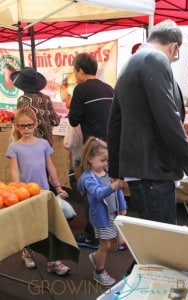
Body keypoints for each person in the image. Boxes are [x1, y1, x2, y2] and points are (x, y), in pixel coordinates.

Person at [107, 19, 188, 225]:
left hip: (142, 171)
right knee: (161, 246)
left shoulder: (132, 62)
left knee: (153, 243)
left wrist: (116, 171)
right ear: (174, 47)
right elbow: (168, 118)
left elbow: (114, 122)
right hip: (154, 170)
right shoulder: (154, 59)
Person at [5, 107, 70, 276]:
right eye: (22, 126)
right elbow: (14, 171)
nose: (26, 129)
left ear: (36, 124)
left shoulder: (43, 144)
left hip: (44, 192)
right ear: (16, 126)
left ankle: (53, 261)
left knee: (49, 227)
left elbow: (50, 167)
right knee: (28, 227)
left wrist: (58, 187)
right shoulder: (14, 147)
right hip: (25, 195)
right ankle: (27, 253)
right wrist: (17, 188)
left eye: (29, 125)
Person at [68, 53, 114, 248]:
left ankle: (92, 236)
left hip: (93, 148)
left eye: (75, 71)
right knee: (108, 189)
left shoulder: (81, 89)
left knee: (91, 190)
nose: (75, 75)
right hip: (110, 147)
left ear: (80, 70)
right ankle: (110, 233)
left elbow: (73, 120)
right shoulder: (109, 88)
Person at [77, 137, 126, 286]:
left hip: (113, 213)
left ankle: (97, 256)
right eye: (103, 160)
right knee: (105, 246)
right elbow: (98, 193)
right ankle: (99, 272)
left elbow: (118, 193)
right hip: (101, 217)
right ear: (90, 158)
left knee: (119, 242)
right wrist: (113, 186)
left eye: (107, 161)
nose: (106, 164)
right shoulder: (88, 178)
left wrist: (122, 207)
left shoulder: (107, 172)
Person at [10, 67, 60, 146]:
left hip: (31, 143)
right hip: (47, 143)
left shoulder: (23, 100)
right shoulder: (46, 98)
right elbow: (55, 121)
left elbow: (21, 123)